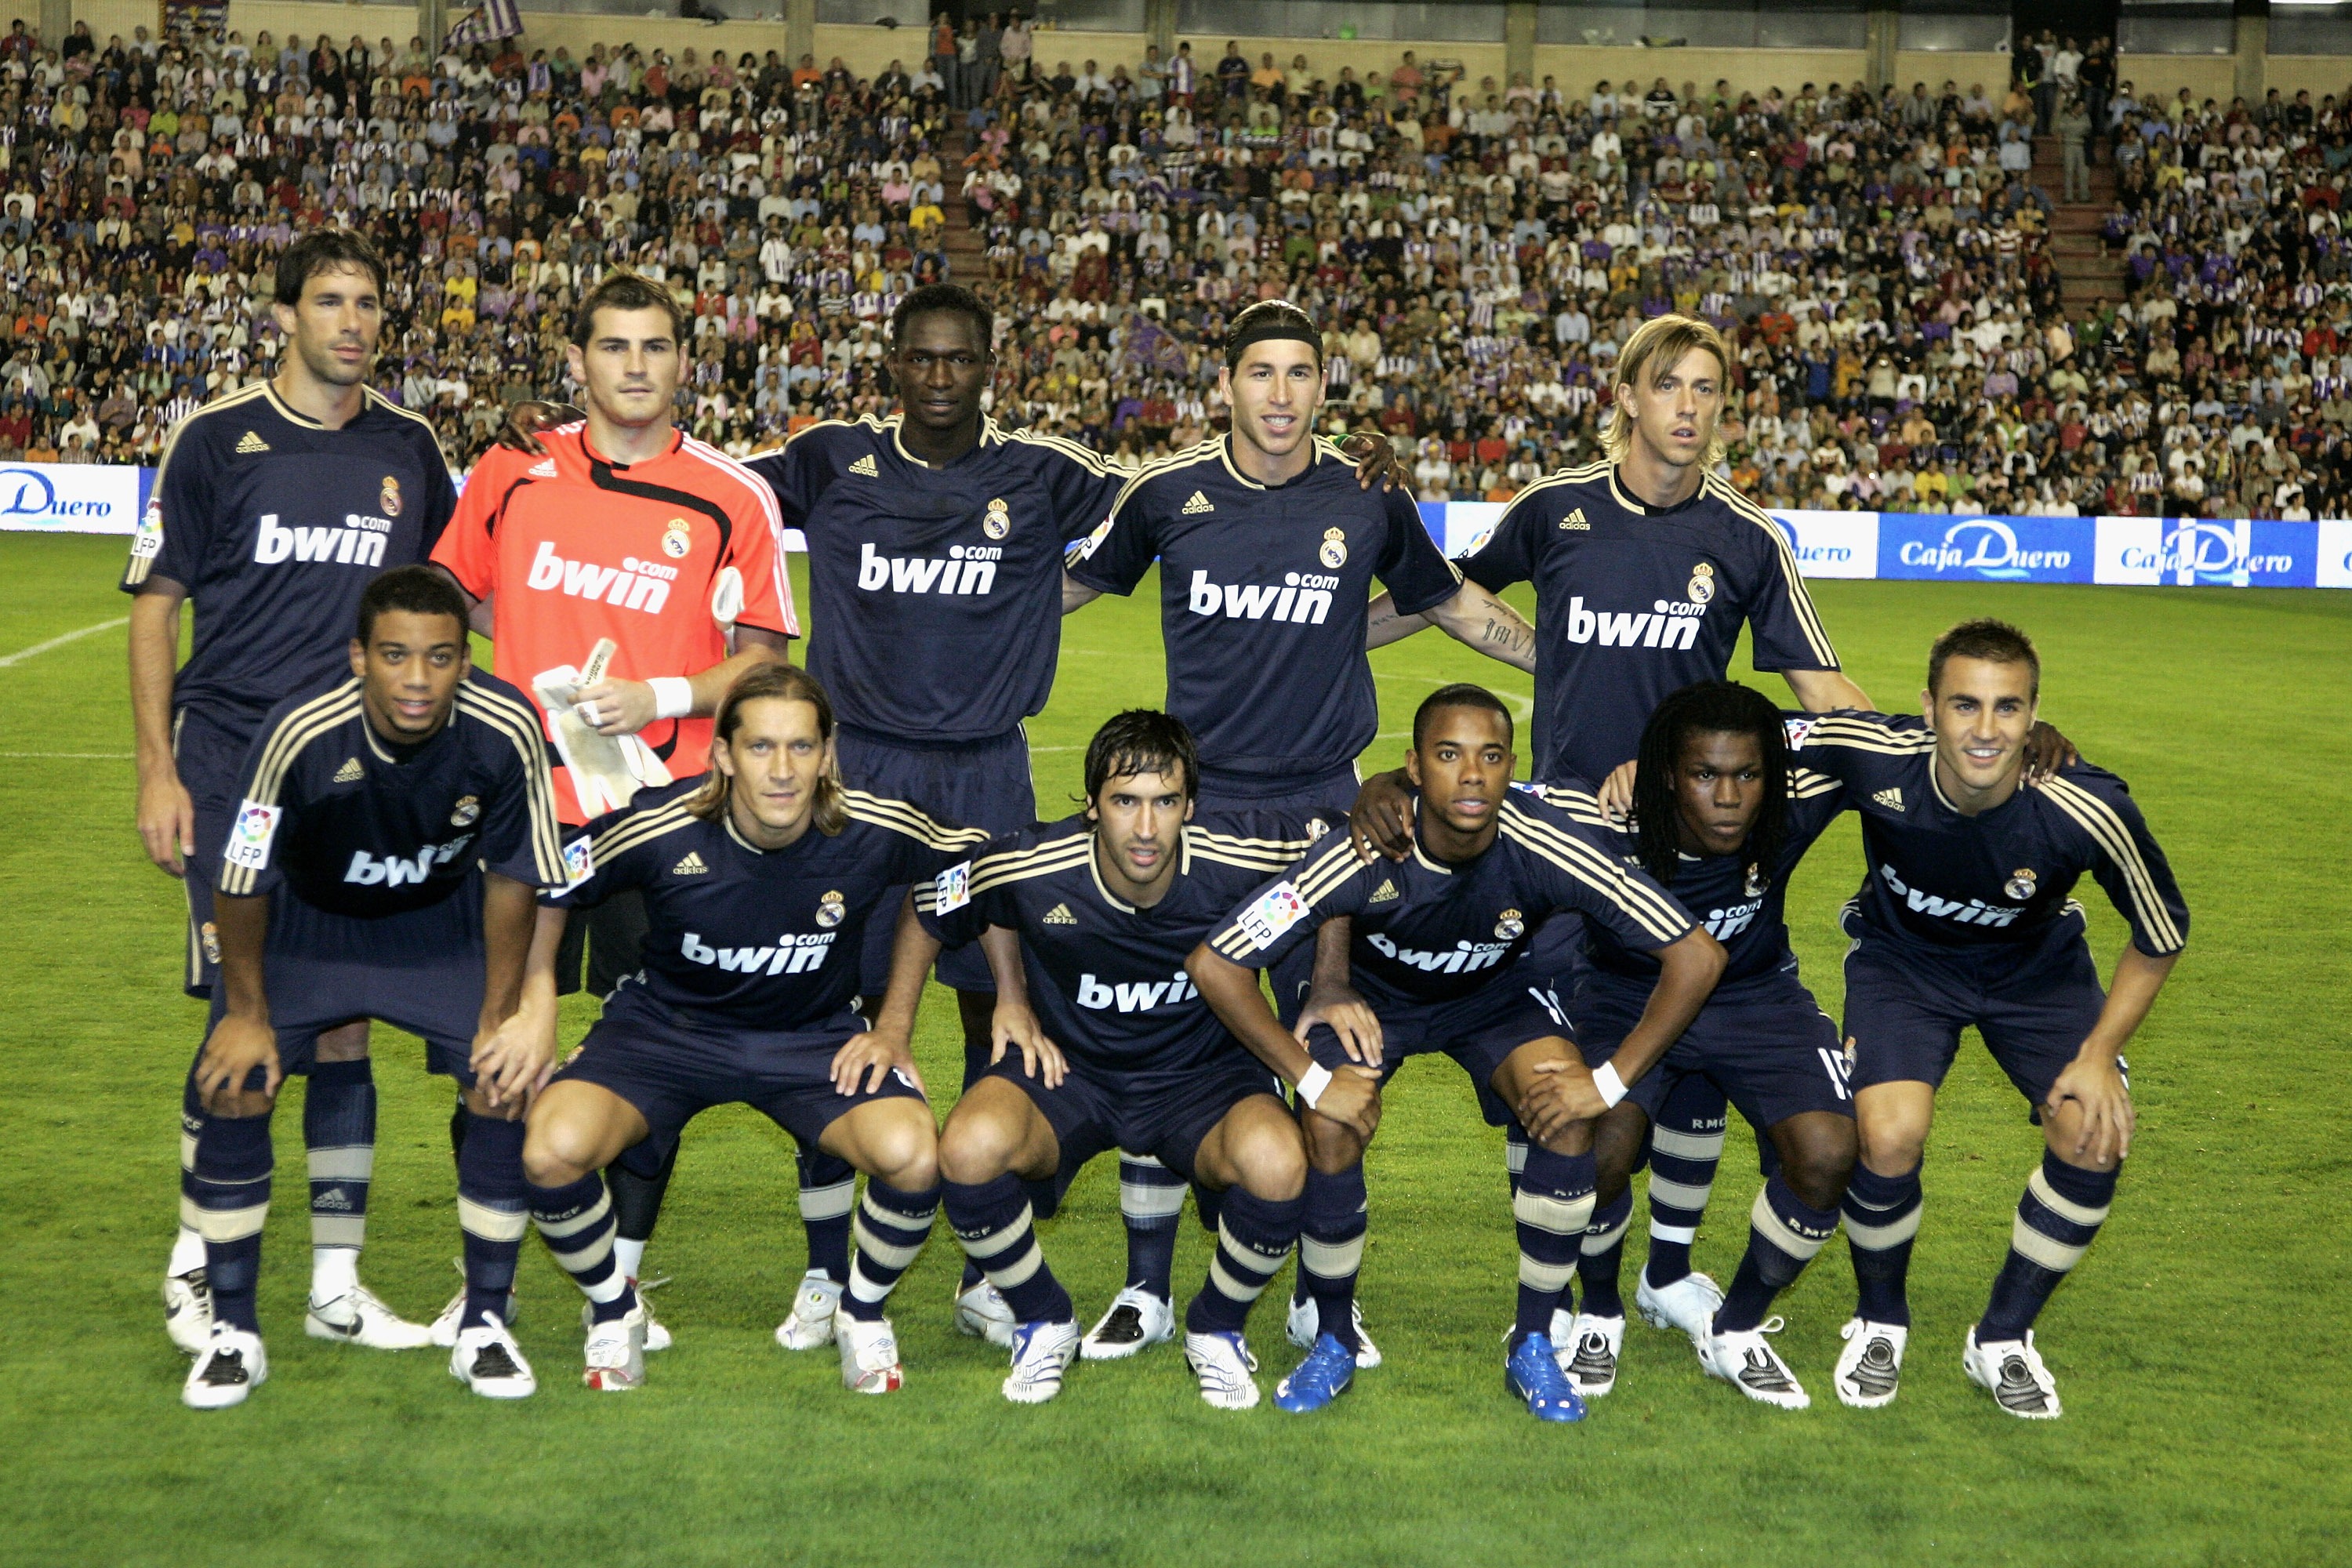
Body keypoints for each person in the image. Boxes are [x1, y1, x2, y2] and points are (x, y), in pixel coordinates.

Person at [497, 285, 1403, 1355]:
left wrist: (1348, 465)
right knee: (826, 1005)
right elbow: (695, 474)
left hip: (986, 775)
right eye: (920, 358)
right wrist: (562, 433)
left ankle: (983, 1270)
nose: (939, 377)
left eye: (959, 359)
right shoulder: (830, 458)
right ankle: (826, 1276)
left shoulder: (1048, 471)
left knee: (995, 1014)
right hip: (853, 768)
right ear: (892, 363)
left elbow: (1192, 486)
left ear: (988, 367)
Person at [1064, 298, 1538, 1363]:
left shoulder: (1364, 496)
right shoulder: (1168, 493)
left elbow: (1447, 602)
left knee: (1331, 1045)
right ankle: (1146, 1289)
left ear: (1325, 385)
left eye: (1299, 373)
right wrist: (943, 622)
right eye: (1260, 372)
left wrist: (1569, 661)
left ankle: (1325, 1301)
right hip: (1200, 812)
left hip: (1331, 812)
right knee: (1171, 1040)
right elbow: (1075, 586)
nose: (1280, 394)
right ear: (1225, 385)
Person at [1189, 685, 1725, 1421]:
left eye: (1491, 756)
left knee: (1569, 1112)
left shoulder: (1548, 843)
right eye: (1449, 755)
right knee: (1332, 1121)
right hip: (1376, 1005)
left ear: (1512, 768)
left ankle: (1534, 1342)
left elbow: (1696, 955)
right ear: (1414, 768)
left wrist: (1607, 1084)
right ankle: (1332, 1337)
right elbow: (1217, 963)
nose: (1472, 774)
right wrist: (1311, 1079)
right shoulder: (1361, 849)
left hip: (1493, 998)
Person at [433, 270, 795, 1350]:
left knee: (659, 1049)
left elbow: (764, 659)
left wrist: (659, 697)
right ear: (578, 362)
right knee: (496, 1038)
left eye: (655, 346)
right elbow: (458, 599)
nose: (635, 366)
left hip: (662, 816)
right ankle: (485, 1277)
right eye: (613, 346)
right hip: (522, 810)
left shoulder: (732, 496)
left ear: (684, 361)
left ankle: (621, 1286)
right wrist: (529, 657)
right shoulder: (513, 470)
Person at [125, 230, 458, 1359]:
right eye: (328, 300)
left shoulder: (409, 446)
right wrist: (158, 768)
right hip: (233, 767)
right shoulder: (217, 439)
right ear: (283, 317)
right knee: (247, 1006)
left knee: (348, 1015)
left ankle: (335, 1284)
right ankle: (197, 1260)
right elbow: (156, 608)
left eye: (368, 301)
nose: (351, 321)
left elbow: (458, 593)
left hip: (360, 781)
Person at [511, 663, 987, 1394]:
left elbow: (973, 870)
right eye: (761, 747)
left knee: (915, 1157)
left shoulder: (875, 824)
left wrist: (895, 1025)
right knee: (550, 1152)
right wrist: (537, 1001)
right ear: (724, 755)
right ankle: (613, 1308)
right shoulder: (664, 824)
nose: (782, 770)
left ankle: (861, 1314)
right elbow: (548, 877)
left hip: (812, 1040)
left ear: (827, 754)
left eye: (801, 747)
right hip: (665, 1033)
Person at [179, 568, 568, 1407]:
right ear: (359, 656)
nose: (417, 678)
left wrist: (501, 1014)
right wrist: (246, 1012)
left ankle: (485, 1325)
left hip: (437, 927)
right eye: (395, 655)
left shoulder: (507, 726)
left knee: (504, 1079)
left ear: (466, 660)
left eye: (439, 656)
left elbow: (517, 876)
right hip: (310, 928)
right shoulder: (298, 730)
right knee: (235, 1080)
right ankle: (233, 1331)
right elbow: (241, 875)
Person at [1793, 620, 2187, 1417]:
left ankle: (2003, 1337)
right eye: (1964, 704)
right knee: (1888, 1136)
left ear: (2035, 714)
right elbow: (1738, 735)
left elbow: (2161, 933)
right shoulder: (1876, 756)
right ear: (1928, 707)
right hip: (1904, 967)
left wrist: (2097, 1055)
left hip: (2036, 976)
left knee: (2093, 1132)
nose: (1985, 729)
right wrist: (1636, 763)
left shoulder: (2087, 805)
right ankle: (1880, 1319)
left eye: (2008, 708)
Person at [923, 710, 1340, 1408]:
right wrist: (1004, 996)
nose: (1146, 828)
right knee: (967, 1149)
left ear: (1191, 807)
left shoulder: (1238, 854)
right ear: (1092, 806)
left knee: (1278, 1163)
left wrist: (1329, 983)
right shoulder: (1037, 861)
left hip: (1204, 1078)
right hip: (1072, 1073)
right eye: (1124, 801)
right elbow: (938, 903)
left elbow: (1342, 851)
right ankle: (1044, 1319)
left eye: (1165, 802)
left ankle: (1216, 1328)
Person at [1538, 683, 1857, 1408]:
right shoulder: (1605, 821)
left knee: (1829, 1155)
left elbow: (1901, 749)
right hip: (1624, 995)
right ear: (1666, 776)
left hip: (1755, 996)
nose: (1729, 797)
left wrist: (2032, 748)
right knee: (1597, 1149)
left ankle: (1735, 1328)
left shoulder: (1794, 805)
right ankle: (1599, 1312)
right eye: (1705, 775)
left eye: (1748, 774)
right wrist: (1393, 789)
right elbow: (1483, 795)